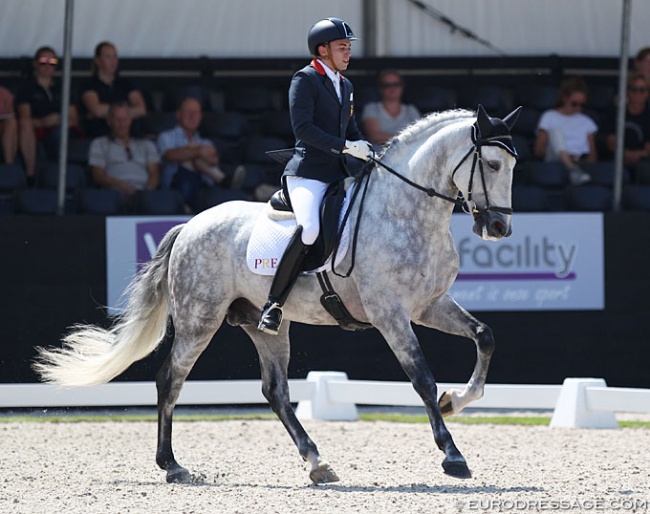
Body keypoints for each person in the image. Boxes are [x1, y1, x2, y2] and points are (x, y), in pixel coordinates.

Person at [257, 17, 374, 335]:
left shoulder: (346, 85)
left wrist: (366, 149)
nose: (347, 54)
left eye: (349, 48)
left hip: (337, 175)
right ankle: (274, 304)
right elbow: (304, 130)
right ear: (322, 50)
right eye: (341, 48)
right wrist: (345, 147)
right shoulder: (305, 79)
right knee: (309, 229)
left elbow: (350, 131)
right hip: (308, 174)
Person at [157, 96, 245, 212]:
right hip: (176, 186)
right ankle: (224, 179)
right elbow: (170, 155)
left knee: (193, 157)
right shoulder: (166, 136)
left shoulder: (204, 142)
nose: (192, 116)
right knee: (189, 158)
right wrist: (198, 151)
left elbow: (214, 161)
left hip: (203, 186)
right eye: (188, 112)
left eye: (196, 113)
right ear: (178, 115)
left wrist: (196, 152)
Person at [15, 46, 79, 183]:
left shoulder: (63, 87)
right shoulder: (26, 88)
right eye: (44, 61)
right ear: (35, 63)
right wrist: (44, 122)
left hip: (60, 129)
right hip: (36, 130)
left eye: (53, 62)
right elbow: (24, 117)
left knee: (62, 134)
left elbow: (74, 117)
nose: (48, 65)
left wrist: (60, 121)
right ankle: (30, 174)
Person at [88, 101, 159, 204]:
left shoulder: (147, 145)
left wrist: (146, 194)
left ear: (130, 121)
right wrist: (120, 185)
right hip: (114, 194)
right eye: (117, 120)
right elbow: (98, 175)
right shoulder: (99, 144)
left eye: (124, 119)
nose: (121, 124)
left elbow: (154, 175)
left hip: (144, 194)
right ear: (109, 121)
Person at [534, 77, 597, 185]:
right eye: (574, 104)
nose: (578, 108)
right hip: (554, 159)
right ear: (565, 98)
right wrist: (566, 156)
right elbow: (539, 149)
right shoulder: (549, 116)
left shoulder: (587, 122)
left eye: (582, 105)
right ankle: (573, 169)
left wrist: (579, 160)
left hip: (579, 160)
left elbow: (592, 154)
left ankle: (574, 169)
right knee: (556, 131)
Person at [80, 41, 147, 138]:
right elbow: (96, 110)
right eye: (108, 57)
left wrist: (110, 112)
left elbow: (141, 109)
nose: (113, 61)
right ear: (98, 60)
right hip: (101, 134)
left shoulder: (126, 83)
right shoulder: (88, 84)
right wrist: (127, 112)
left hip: (130, 135)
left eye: (115, 56)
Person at [361, 69, 420, 151]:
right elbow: (374, 136)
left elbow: (419, 135)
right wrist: (406, 137)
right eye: (387, 85)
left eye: (396, 84)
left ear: (402, 87)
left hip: (407, 157)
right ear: (380, 89)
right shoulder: (371, 108)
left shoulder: (411, 110)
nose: (392, 88)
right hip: (379, 158)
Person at [601, 72, 650, 172]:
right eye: (634, 90)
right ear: (627, 91)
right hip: (615, 159)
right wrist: (624, 154)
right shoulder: (615, 112)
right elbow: (611, 141)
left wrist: (638, 154)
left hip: (643, 162)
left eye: (642, 90)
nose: (638, 94)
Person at [0, 85, 17, 164]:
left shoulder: (4, 92)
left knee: (12, 123)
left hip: (3, 122)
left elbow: (10, 111)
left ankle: (9, 163)